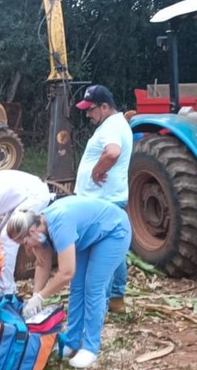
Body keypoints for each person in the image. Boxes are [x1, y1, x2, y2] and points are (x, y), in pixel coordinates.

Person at [6, 195, 131, 369]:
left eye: (25, 242)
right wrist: (35, 295)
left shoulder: (59, 224)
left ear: (32, 232)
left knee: (93, 288)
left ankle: (90, 347)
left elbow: (66, 272)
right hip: (89, 236)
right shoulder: (40, 233)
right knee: (77, 288)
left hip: (114, 231)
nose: (26, 248)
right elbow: (42, 264)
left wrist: (41, 297)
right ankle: (72, 341)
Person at [74, 84, 133, 313]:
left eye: (91, 109)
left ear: (105, 106)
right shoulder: (117, 124)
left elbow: (112, 152)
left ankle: (101, 304)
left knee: (102, 255)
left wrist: (97, 170)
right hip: (110, 198)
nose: (88, 114)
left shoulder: (110, 127)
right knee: (115, 250)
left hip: (103, 200)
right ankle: (116, 298)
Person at [0, 169, 52, 295]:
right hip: (21, 196)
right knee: (3, 237)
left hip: (35, 195)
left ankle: (6, 289)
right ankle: (1, 283)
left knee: (7, 238)